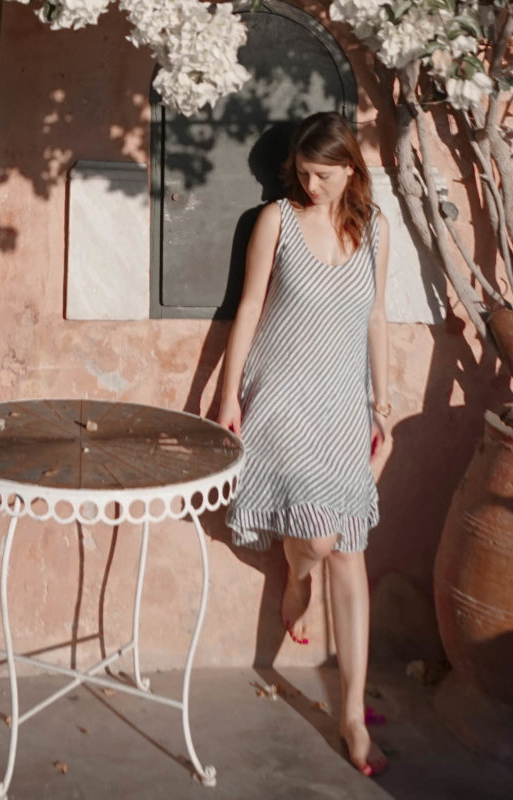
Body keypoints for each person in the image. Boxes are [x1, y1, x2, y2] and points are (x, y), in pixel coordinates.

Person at [215, 111, 393, 778]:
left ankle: (350, 712)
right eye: (303, 173)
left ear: (350, 168)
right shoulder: (276, 222)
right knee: (320, 538)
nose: (310, 184)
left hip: (345, 406)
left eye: (322, 174)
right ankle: (299, 571)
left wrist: (383, 396)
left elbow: (375, 315)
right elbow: (250, 309)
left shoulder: (375, 230)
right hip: (283, 399)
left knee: (350, 551)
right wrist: (228, 395)